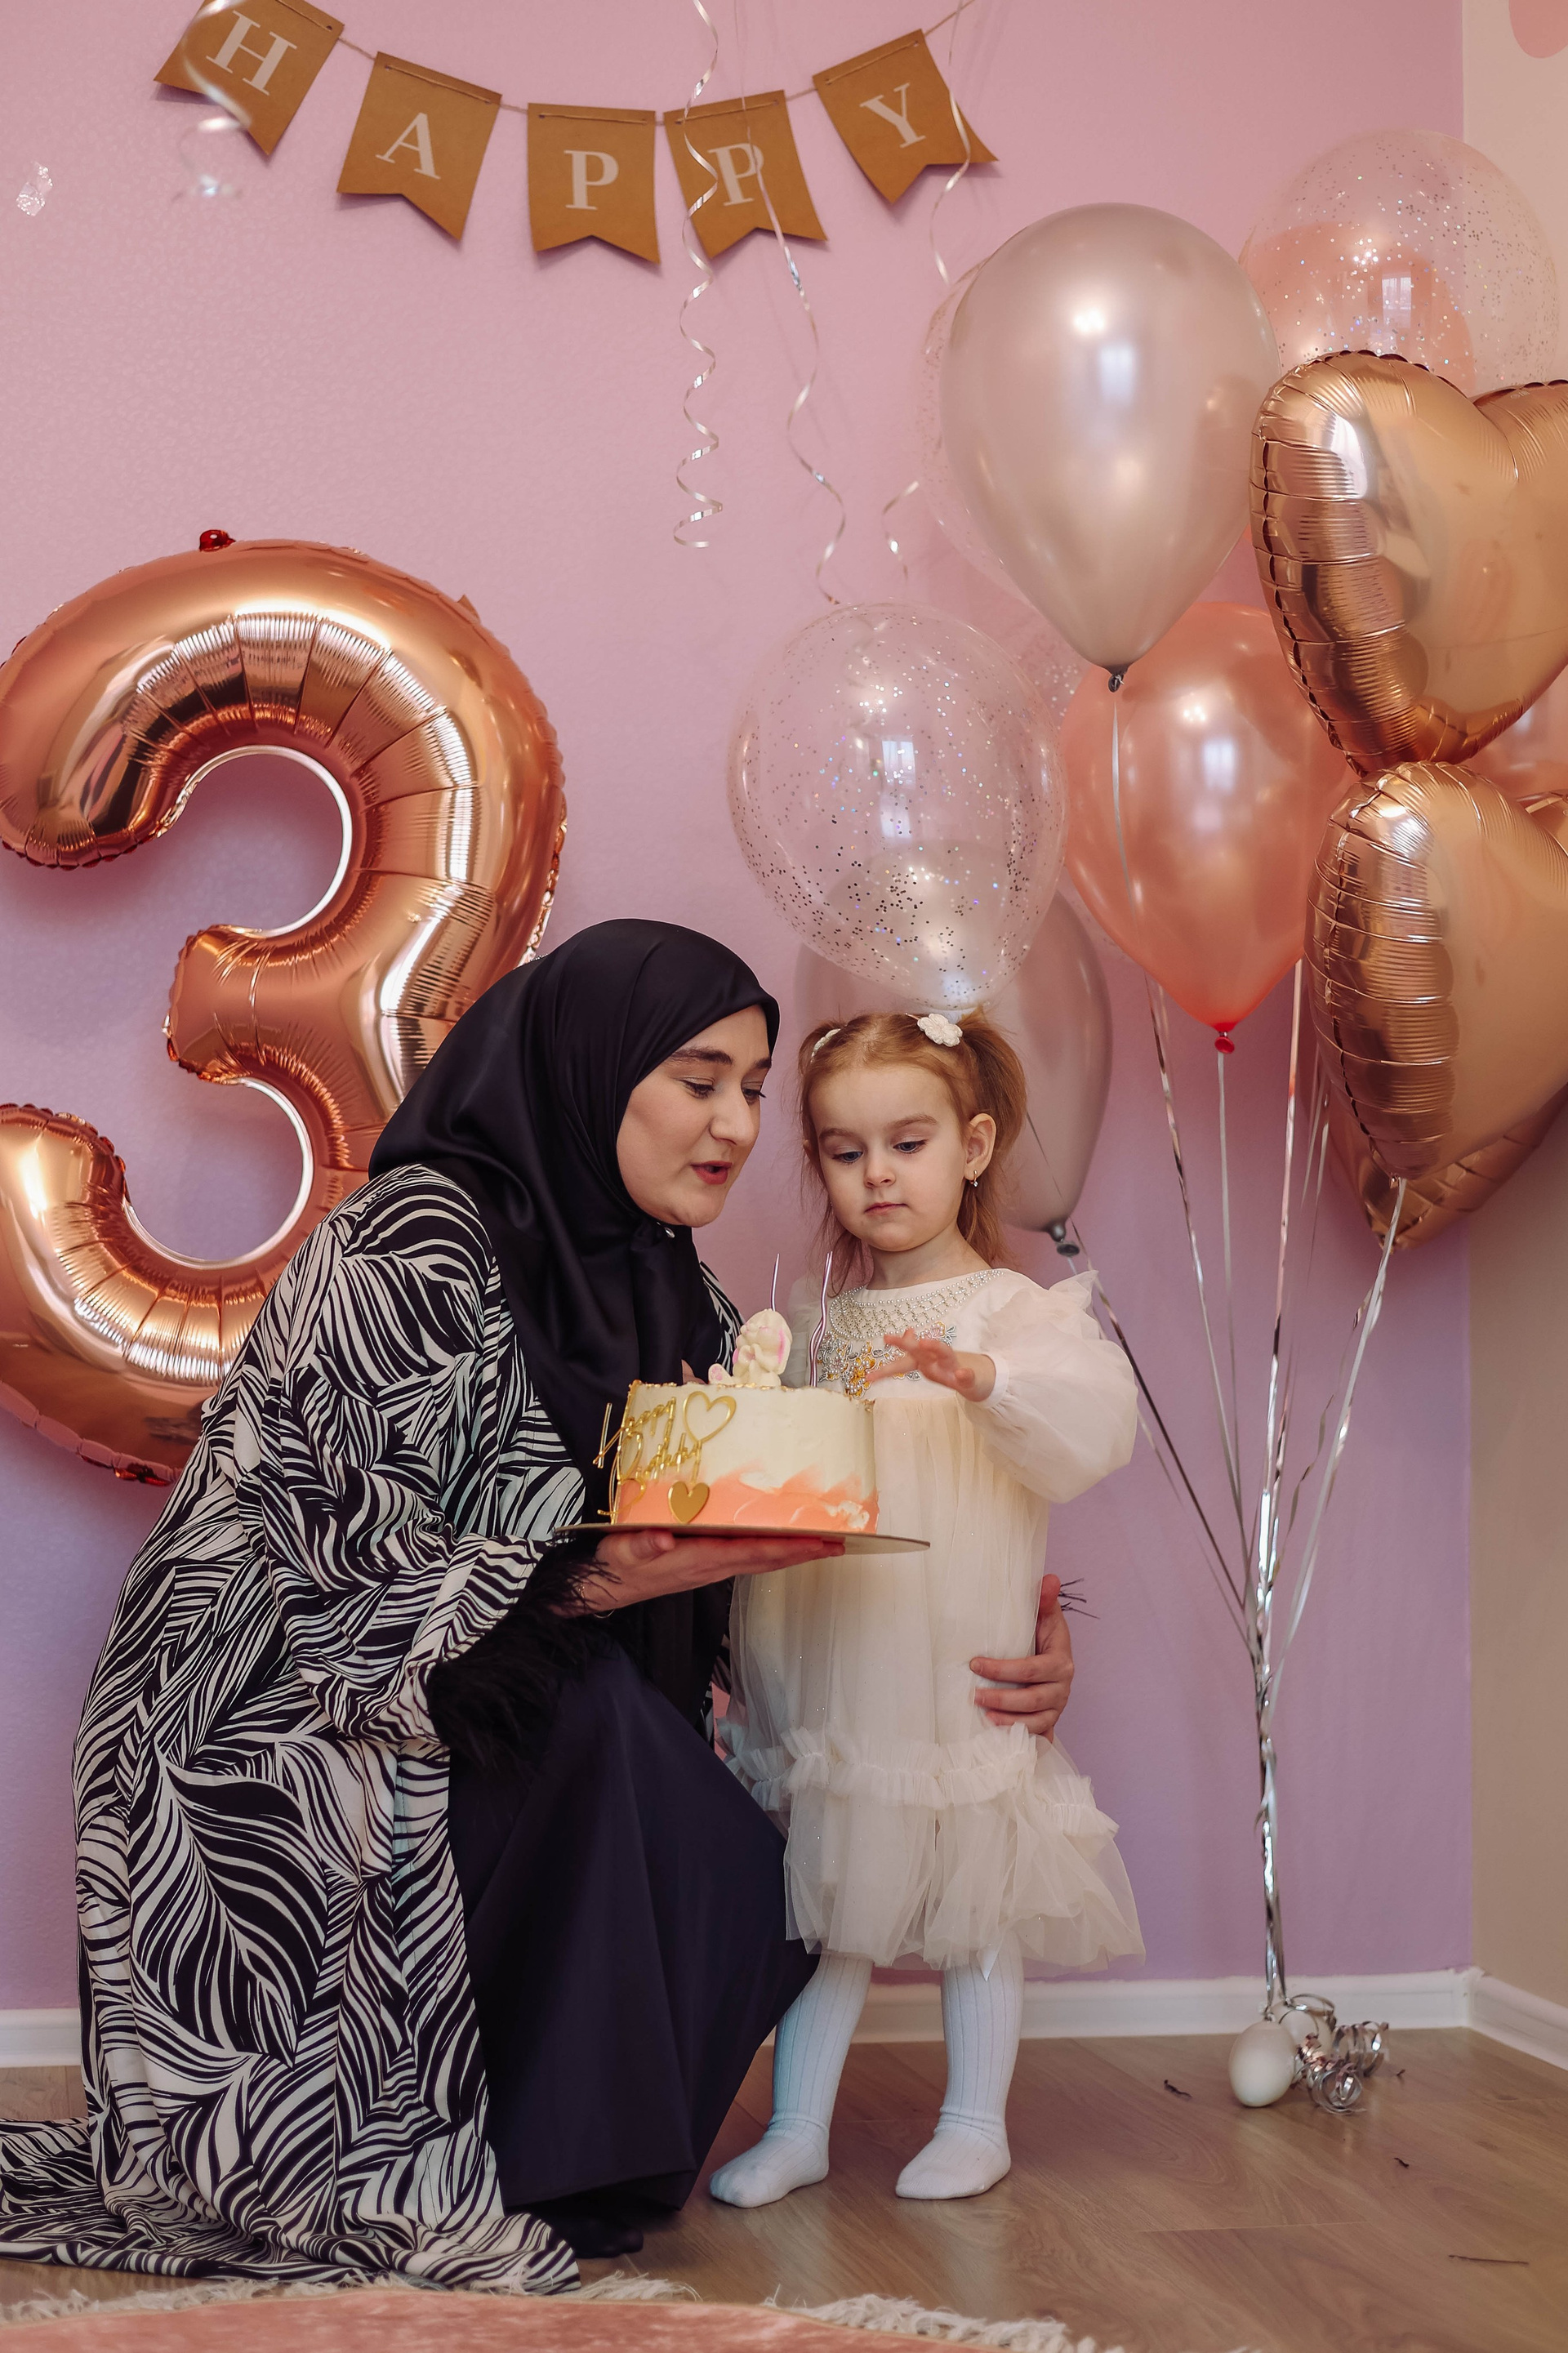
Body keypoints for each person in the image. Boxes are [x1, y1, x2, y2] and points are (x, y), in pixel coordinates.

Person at [0, 925, 1080, 2293]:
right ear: (592, 1066)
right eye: (699, 1079)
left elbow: (783, 1539)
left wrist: (1010, 1634)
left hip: (520, 1703)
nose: (737, 1125)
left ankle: (551, 2152)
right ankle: (507, 2153)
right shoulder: (410, 1243)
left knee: (742, 1838)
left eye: (755, 1091)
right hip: (271, 1727)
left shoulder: (684, 1298)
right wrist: (599, 1574)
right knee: (615, 1738)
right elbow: (327, 1557)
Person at [712, 1009, 1143, 2212]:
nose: (878, 1175)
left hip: (953, 1655)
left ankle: (974, 2122)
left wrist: (985, 1378)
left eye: (907, 1143)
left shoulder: (1010, 1309)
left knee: (972, 1888)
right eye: (845, 1152)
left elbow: (1090, 1421)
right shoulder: (817, 1321)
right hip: (832, 1657)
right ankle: (797, 2124)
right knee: (827, 1902)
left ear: (974, 1145)